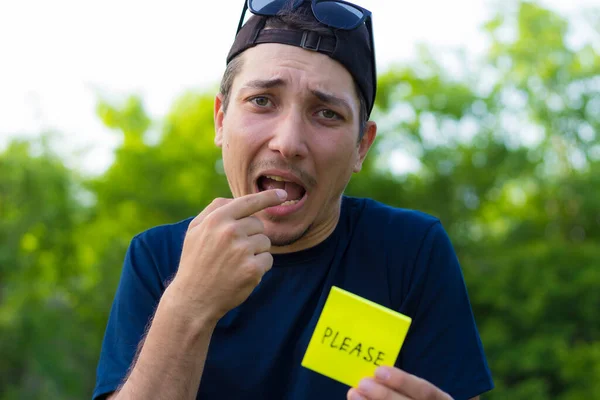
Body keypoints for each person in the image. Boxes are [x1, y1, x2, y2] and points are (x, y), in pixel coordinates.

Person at [93, 1, 494, 399]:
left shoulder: (409, 251)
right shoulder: (158, 257)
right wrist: (186, 305)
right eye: (262, 101)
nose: (287, 143)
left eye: (326, 114)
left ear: (361, 147)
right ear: (220, 119)